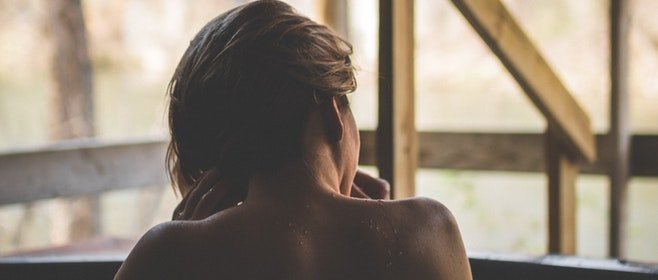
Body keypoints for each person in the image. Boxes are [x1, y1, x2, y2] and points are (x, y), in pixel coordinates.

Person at [114, 1, 471, 279]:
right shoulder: (428, 232)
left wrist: (186, 245)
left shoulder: (167, 255)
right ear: (334, 116)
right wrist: (389, 224)